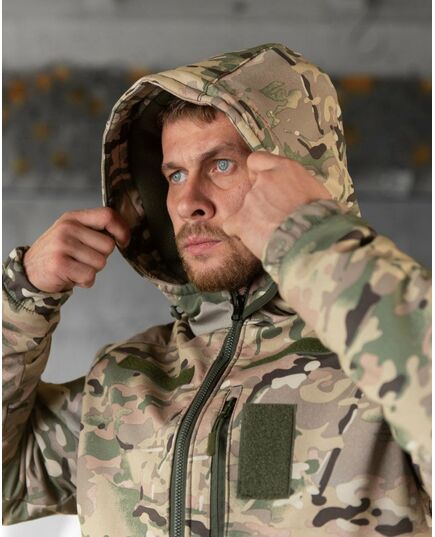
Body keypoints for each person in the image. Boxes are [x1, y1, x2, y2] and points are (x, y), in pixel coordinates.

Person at [3, 43, 431, 536]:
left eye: (222, 164)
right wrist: (21, 297)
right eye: (175, 174)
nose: (188, 202)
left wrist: (310, 237)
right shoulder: (123, 384)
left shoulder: (379, 370)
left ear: (297, 175)